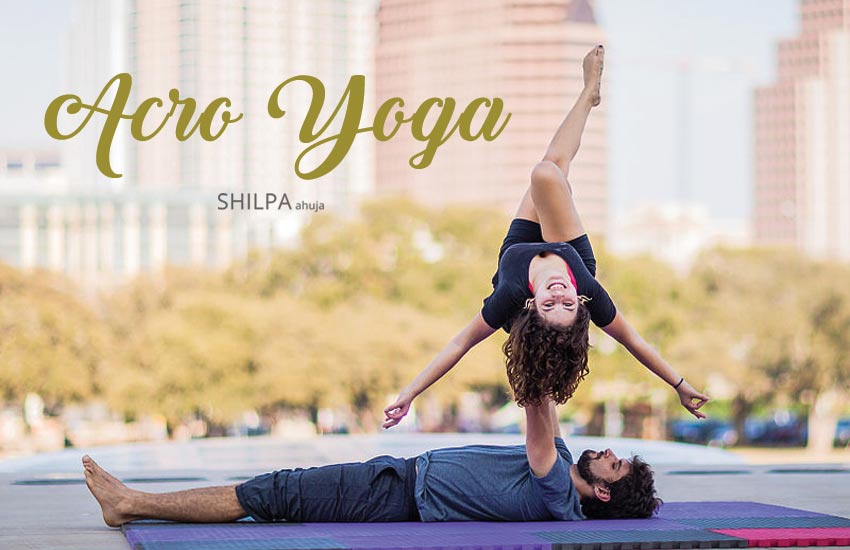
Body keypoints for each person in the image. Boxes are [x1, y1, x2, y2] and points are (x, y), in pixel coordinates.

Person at [383, 45, 708, 426]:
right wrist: (679, 384)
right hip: (569, 252)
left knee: (547, 170)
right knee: (549, 171)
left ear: (531, 305)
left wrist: (409, 393)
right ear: (579, 302)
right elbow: (633, 341)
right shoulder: (585, 288)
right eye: (567, 305)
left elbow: (458, 345)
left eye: (549, 305)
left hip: (518, 251)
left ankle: (589, 93)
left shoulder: (510, 297)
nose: (559, 296)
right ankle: (589, 93)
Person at [82, 398, 660, 526]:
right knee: (277, 489)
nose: (608, 453)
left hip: (392, 495)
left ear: (603, 493)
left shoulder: (559, 494)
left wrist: (532, 324)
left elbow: (536, 407)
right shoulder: (564, 459)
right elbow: (550, 406)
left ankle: (129, 504)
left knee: (274, 493)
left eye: (616, 465)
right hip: (398, 477)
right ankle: (131, 501)